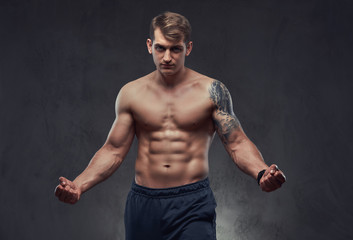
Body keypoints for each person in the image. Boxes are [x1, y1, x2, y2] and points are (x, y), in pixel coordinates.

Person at [54, 11, 286, 240]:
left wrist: (261, 171)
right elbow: (113, 150)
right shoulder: (131, 93)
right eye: (160, 48)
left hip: (192, 203)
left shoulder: (212, 91)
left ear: (188, 48)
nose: (167, 57)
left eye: (176, 49)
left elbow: (236, 142)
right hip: (143, 204)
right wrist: (78, 185)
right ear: (149, 45)